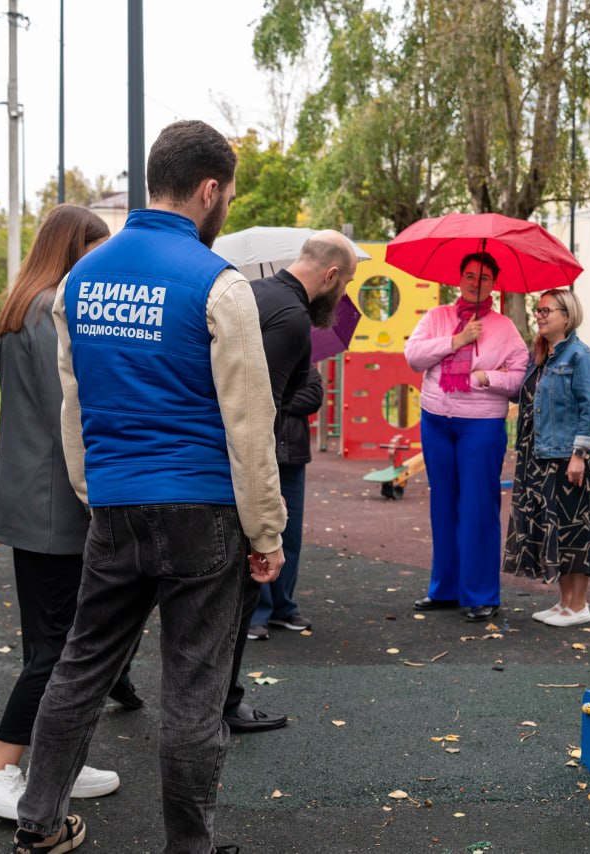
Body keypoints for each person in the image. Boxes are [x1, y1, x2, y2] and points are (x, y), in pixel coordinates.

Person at [11, 120, 286, 854]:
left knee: (80, 667)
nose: (225, 205)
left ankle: (37, 821)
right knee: (194, 691)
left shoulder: (80, 280)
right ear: (207, 190)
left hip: (116, 501)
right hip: (202, 509)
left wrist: (92, 491)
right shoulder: (218, 284)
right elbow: (249, 423)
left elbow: (75, 405)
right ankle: (188, 846)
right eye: (225, 193)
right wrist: (266, 532)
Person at [0, 204, 125, 820]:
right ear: (72, 247)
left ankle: (58, 758)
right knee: (56, 650)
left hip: (33, 497)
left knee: (52, 641)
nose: (102, 263)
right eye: (97, 250)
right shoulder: (51, 309)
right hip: (56, 501)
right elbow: (72, 408)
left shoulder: (19, 307)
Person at [226, 231, 356, 736]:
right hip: (242, 467)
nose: (341, 295)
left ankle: (214, 701)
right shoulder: (292, 317)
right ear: (328, 276)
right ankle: (225, 705)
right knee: (238, 596)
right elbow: (260, 414)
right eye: (343, 284)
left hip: (213, 462)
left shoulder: (252, 296)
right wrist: (265, 498)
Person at [404, 252, 529, 622]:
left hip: (481, 426)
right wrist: (456, 340)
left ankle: (481, 594)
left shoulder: (505, 328)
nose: (477, 282)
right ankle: (445, 589)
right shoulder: (437, 317)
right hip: (436, 422)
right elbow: (414, 357)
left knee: (477, 507)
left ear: (494, 284)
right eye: (471, 275)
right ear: (460, 278)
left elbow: (520, 376)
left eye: (485, 278)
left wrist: (490, 378)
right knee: (442, 505)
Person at [503, 289, 590, 626]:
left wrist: (579, 454)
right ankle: (564, 602)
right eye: (538, 309)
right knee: (555, 531)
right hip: (539, 458)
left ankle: (579, 606)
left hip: (567, 459)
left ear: (567, 315)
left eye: (547, 310)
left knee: (575, 531)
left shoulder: (580, 357)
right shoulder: (544, 358)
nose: (540, 314)